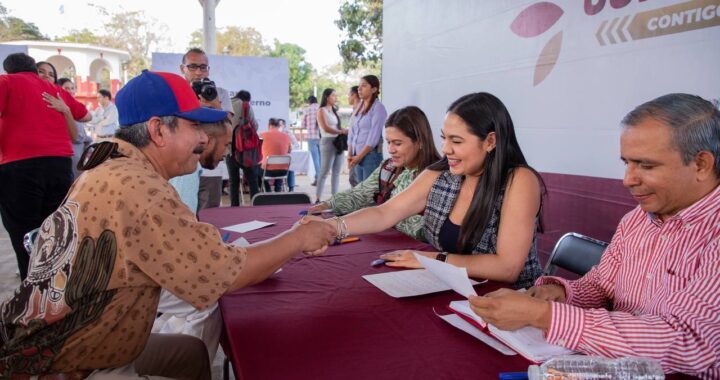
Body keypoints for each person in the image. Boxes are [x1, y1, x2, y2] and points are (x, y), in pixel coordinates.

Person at [0, 70, 335, 379]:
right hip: (73, 365)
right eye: (195, 127)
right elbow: (223, 273)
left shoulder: (111, 165)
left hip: (72, 344)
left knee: (190, 354)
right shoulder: (139, 189)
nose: (204, 140)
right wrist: (297, 238)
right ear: (158, 130)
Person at [468, 93, 720, 378]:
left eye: (646, 165)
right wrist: (562, 293)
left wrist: (543, 315)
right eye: (626, 162)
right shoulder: (637, 219)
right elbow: (603, 286)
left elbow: (689, 345)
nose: (628, 179)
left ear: (701, 164)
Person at [312, 92, 544, 289]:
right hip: (454, 294)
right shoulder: (441, 175)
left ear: (490, 141)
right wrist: (331, 227)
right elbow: (384, 213)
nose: (446, 149)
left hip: (512, 304)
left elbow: (507, 268)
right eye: (444, 139)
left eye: (457, 141)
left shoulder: (519, 181)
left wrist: (433, 260)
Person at [0, 53, 90, 280]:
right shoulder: (55, 90)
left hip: (20, 166)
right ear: (33, 69)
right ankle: (58, 289)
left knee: (24, 234)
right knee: (56, 230)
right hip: (59, 166)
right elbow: (87, 115)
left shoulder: (6, 82)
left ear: (8, 69)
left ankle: (32, 294)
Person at [155, 119, 233, 361]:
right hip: (139, 282)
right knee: (207, 295)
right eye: (226, 144)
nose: (227, 152)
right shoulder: (184, 173)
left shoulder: (185, 169)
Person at [309, 106, 440, 241]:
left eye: (397, 143)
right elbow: (361, 193)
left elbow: (421, 228)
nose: (390, 149)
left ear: (420, 142)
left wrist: (376, 218)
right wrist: (328, 205)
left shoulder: (436, 177)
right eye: (388, 142)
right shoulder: (388, 167)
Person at [179, 48, 234, 210]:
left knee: (211, 215)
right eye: (192, 67)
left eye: (203, 67)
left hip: (210, 166)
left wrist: (215, 105)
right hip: (181, 166)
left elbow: (228, 128)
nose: (198, 72)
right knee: (184, 213)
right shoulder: (176, 93)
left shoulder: (219, 93)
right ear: (182, 68)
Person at [348, 75, 387, 183]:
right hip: (357, 156)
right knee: (360, 192)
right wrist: (350, 154)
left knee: (369, 195)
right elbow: (352, 132)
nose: (359, 89)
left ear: (374, 89)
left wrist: (358, 157)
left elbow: (373, 138)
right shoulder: (359, 107)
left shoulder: (378, 108)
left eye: (364, 86)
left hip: (370, 156)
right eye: (359, 86)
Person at [227, 90, 262, 204]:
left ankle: (234, 206)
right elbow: (254, 125)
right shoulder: (245, 105)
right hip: (245, 149)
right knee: (252, 179)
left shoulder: (225, 104)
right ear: (247, 99)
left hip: (229, 147)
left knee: (233, 180)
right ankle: (255, 204)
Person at [315, 88, 348, 202]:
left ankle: (335, 198)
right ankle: (318, 198)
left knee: (337, 171)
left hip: (338, 142)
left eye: (335, 95)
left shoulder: (334, 111)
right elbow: (325, 128)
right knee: (324, 171)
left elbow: (336, 127)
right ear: (326, 97)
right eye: (333, 95)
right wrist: (341, 131)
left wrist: (343, 130)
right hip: (327, 142)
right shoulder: (321, 110)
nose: (335, 98)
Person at [58, 77, 94, 178]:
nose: (70, 91)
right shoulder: (61, 108)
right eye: (66, 88)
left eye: (72, 88)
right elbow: (76, 135)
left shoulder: (76, 107)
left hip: (80, 152)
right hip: (70, 152)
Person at [260, 118, 292, 192]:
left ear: (269, 125)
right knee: (281, 164)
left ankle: (268, 190)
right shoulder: (286, 136)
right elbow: (289, 150)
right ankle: (278, 188)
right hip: (283, 171)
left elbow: (258, 150)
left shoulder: (262, 135)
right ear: (279, 126)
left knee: (257, 171)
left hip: (267, 171)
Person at [302, 95, 321, 186]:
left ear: (309, 102)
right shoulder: (321, 108)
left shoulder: (307, 109)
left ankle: (318, 178)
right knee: (321, 159)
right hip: (322, 137)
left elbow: (303, 125)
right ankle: (322, 178)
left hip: (311, 137)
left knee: (315, 159)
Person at [277, 118, 297, 191]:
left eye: (281, 125)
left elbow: (296, 144)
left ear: (284, 125)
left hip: (287, 155)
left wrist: (289, 147)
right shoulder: (274, 134)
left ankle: (291, 188)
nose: (279, 126)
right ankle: (278, 187)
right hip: (276, 159)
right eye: (278, 125)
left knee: (291, 167)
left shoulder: (288, 133)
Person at [347, 86, 361, 187]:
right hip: (353, 150)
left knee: (355, 180)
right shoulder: (355, 110)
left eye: (349, 95)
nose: (348, 97)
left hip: (359, 151)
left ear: (354, 95)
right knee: (353, 179)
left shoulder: (362, 109)